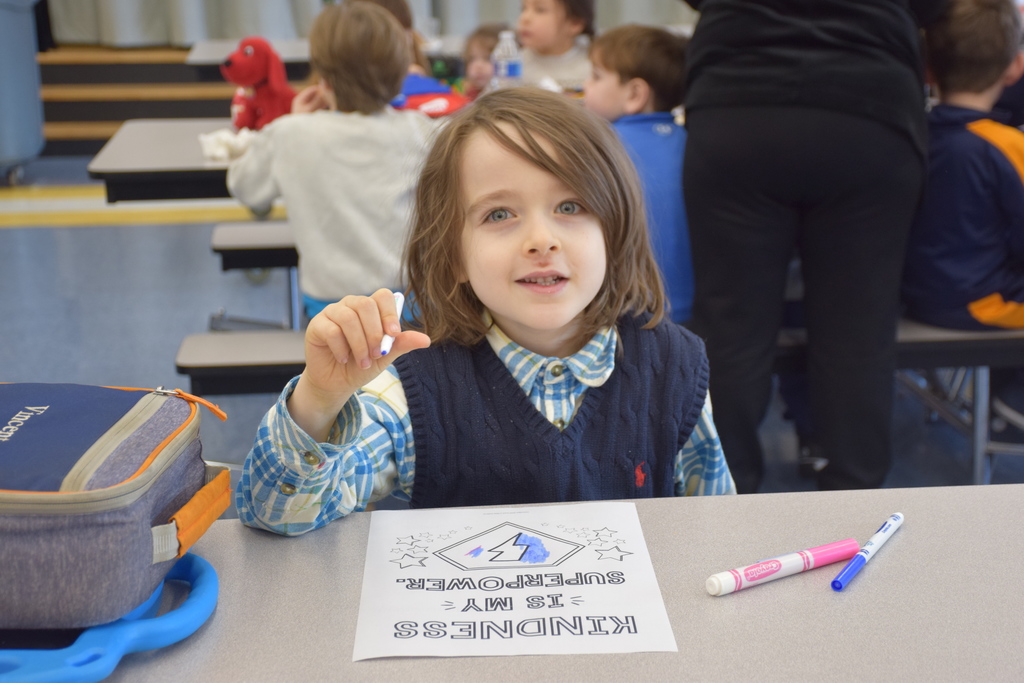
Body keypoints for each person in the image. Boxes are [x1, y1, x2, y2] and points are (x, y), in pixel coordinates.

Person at [235, 87, 736, 536]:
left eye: (570, 206)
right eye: (500, 214)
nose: (542, 240)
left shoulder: (674, 365)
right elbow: (274, 514)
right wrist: (319, 401)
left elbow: (718, 532)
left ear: (614, 230)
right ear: (453, 255)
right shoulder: (411, 387)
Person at [680, 0, 946, 493]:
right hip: (868, 104)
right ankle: (854, 500)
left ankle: (721, 497)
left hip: (739, 100)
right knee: (859, 332)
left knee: (731, 326)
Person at [227, 2, 437, 320]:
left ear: (323, 79)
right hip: (412, 308)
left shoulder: (290, 133)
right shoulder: (422, 130)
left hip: (332, 313)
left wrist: (289, 122)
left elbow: (244, 187)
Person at [901, 0, 1024, 427]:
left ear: (928, 70)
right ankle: (1015, 399)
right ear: (1015, 67)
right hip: (980, 304)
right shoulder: (1007, 145)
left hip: (913, 296)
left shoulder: (911, 137)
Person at [583, 24, 693, 324]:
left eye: (596, 76)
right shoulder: (692, 143)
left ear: (635, 94)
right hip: (691, 313)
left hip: (623, 314)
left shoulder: (599, 149)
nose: (586, 86)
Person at [518, 0, 593, 92]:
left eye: (540, 10)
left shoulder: (594, 67)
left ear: (575, 23)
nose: (525, 18)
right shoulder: (511, 64)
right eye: (524, 9)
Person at [462, 23, 506, 100]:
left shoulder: (505, 97)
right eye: (472, 59)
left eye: (488, 58)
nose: (478, 66)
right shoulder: (467, 95)